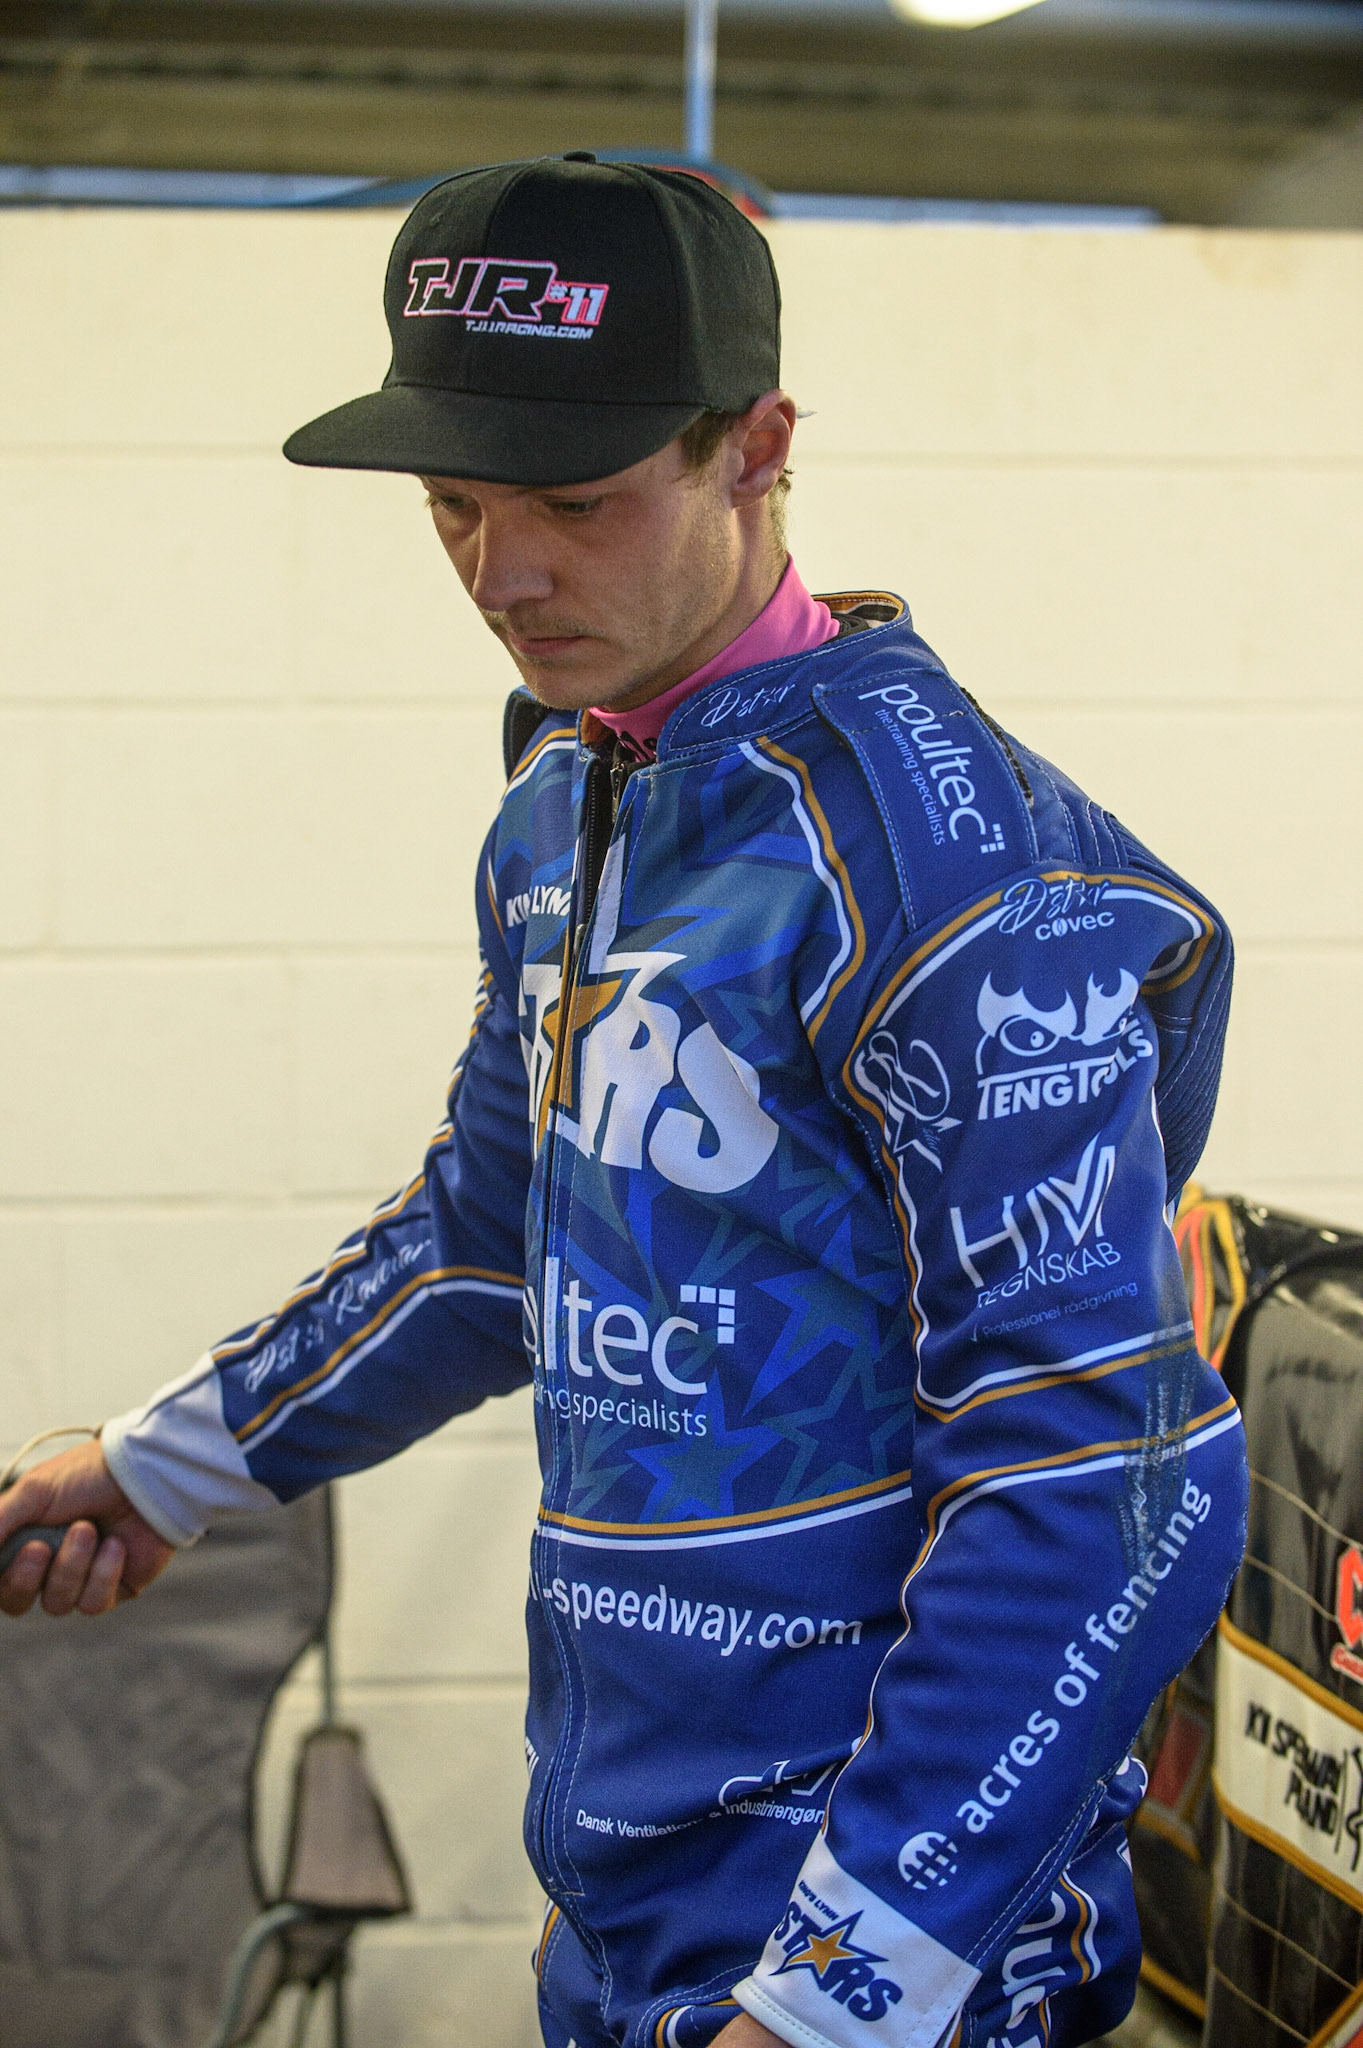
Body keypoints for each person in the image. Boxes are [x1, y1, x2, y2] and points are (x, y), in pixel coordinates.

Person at [0, 156, 1247, 2048]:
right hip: (619, 1901)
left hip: (884, 1964)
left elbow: (1107, 1478)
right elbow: (491, 1246)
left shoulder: (949, 872)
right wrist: (169, 1464)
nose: (505, 575)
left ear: (757, 448)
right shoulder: (566, 798)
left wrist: (842, 1991)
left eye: (577, 503)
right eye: (453, 507)